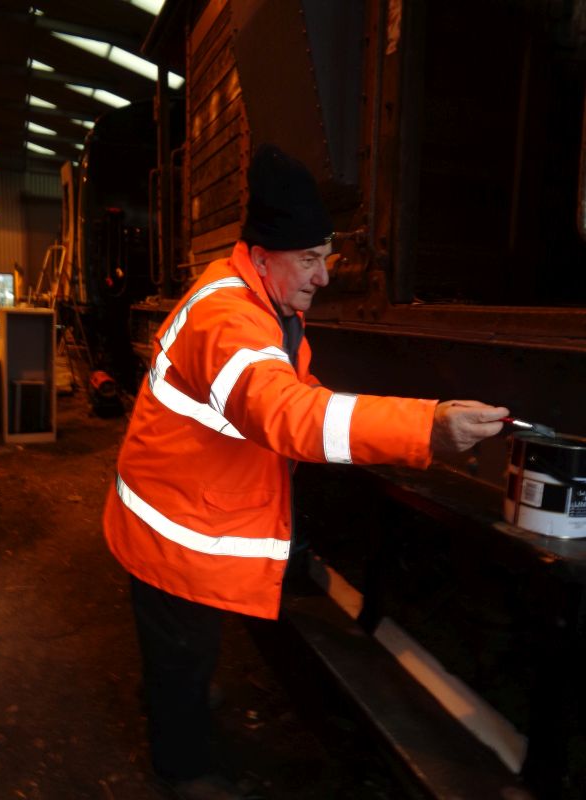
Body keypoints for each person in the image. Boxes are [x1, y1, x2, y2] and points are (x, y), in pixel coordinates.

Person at [103, 144, 509, 800]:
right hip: (173, 531)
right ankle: (183, 773)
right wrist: (424, 427)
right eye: (311, 260)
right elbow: (284, 411)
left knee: (187, 655)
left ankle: (181, 716)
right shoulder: (229, 317)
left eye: (327, 257)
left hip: (186, 513)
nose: (323, 276)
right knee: (181, 656)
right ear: (264, 256)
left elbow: (292, 390)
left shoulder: (260, 301)